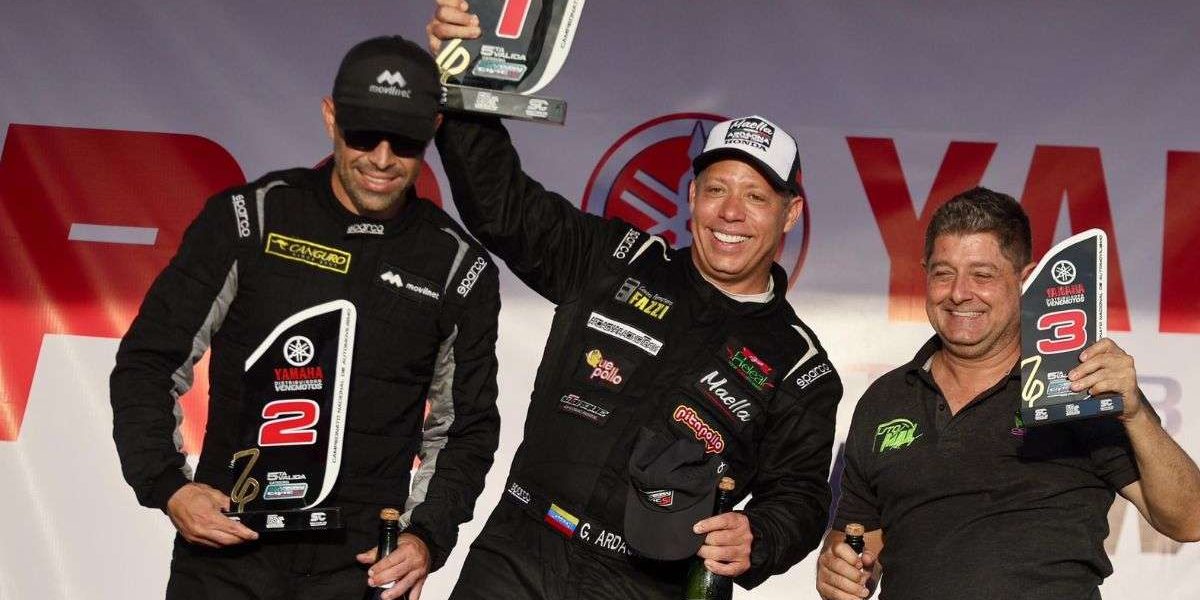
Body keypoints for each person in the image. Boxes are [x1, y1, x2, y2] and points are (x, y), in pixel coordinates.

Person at [427, 3, 843, 598]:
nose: (731, 213)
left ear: (790, 213)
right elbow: (502, 207)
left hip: (647, 585)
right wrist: (461, 78)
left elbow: (799, 494)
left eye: (756, 197)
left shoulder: (800, 366)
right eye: (717, 190)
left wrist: (760, 533)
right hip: (518, 551)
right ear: (692, 197)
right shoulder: (617, 258)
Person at [110, 36, 501, 600]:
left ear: (433, 130)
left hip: (359, 568)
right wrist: (168, 485)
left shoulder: (458, 267)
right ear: (330, 117)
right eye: (363, 135)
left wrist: (425, 536)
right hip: (226, 558)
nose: (382, 159)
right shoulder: (250, 219)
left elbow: (466, 428)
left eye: (405, 141)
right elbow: (149, 362)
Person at [816, 187, 1200, 600]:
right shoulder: (885, 398)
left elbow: (1189, 520)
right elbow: (858, 546)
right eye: (943, 273)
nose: (959, 293)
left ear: (1025, 279)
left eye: (982, 275)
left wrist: (1135, 414)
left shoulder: (1076, 382)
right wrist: (839, 571)